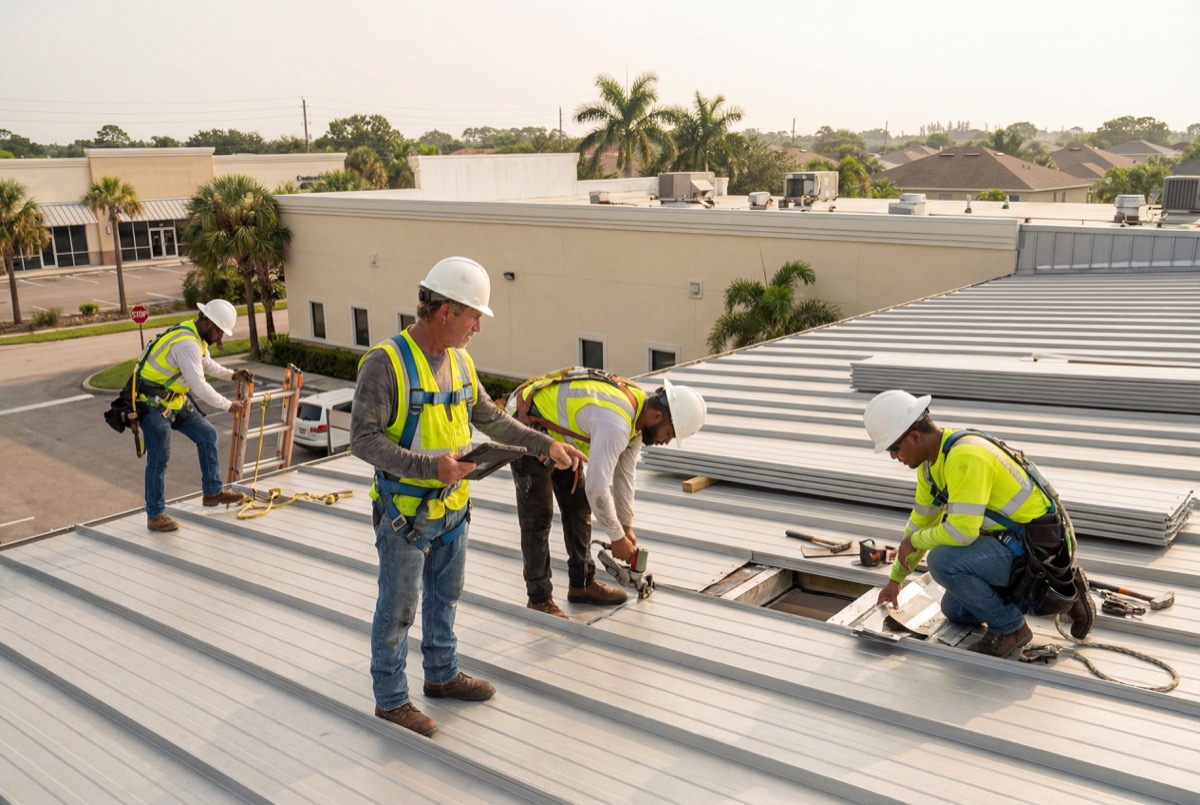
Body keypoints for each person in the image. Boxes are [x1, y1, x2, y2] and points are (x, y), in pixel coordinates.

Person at [351, 256, 585, 737]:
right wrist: (430, 468)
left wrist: (546, 446)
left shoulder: (460, 362)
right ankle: (391, 700)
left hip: (452, 510)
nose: (478, 327)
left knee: (446, 597)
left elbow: (492, 419)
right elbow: (363, 440)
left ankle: (441, 674)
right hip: (405, 513)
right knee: (398, 609)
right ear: (446, 312)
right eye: (475, 316)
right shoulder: (386, 363)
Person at [863, 390, 1094, 658]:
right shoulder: (931, 467)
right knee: (956, 610)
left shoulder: (966, 456)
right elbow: (920, 522)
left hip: (1036, 550)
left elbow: (962, 532)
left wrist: (914, 542)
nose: (893, 457)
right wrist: (896, 580)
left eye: (893, 448)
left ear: (914, 437)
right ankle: (1066, 595)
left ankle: (1011, 629)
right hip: (1009, 544)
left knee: (942, 561)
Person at [508, 371, 707, 619]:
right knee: (538, 517)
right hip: (526, 423)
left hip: (557, 435)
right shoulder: (616, 422)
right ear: (657, 416)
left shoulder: (638, 415)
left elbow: (625, 475)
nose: (666, 441)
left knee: (578, 506)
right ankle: (539, 599)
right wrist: (616, 537)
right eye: (668, 434)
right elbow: (597, 488)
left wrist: (626, 527)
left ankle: (581, 585)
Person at [138, 299, 251, 533]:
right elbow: (199, 386)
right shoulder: (187, 344)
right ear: (208, 322)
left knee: (208, 435)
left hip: (173, 400)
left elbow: (206, 363)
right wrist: (228, 405)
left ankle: (212, 492)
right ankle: (155, 515)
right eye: (219, 331)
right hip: (153, 404)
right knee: (159, 459)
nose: (220, 337)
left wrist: (231, 375)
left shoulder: (194, 334)